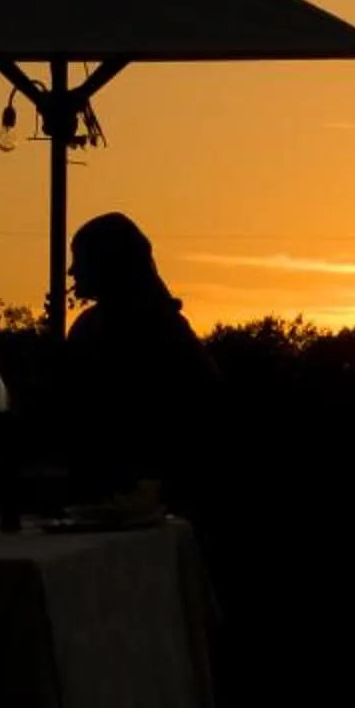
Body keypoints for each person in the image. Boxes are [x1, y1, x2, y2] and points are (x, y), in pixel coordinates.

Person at [57, 212, 220, 520]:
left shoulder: (161, 332)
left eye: (82, 259)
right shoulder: (92, 327)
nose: (72, 271)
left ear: (109, 264)